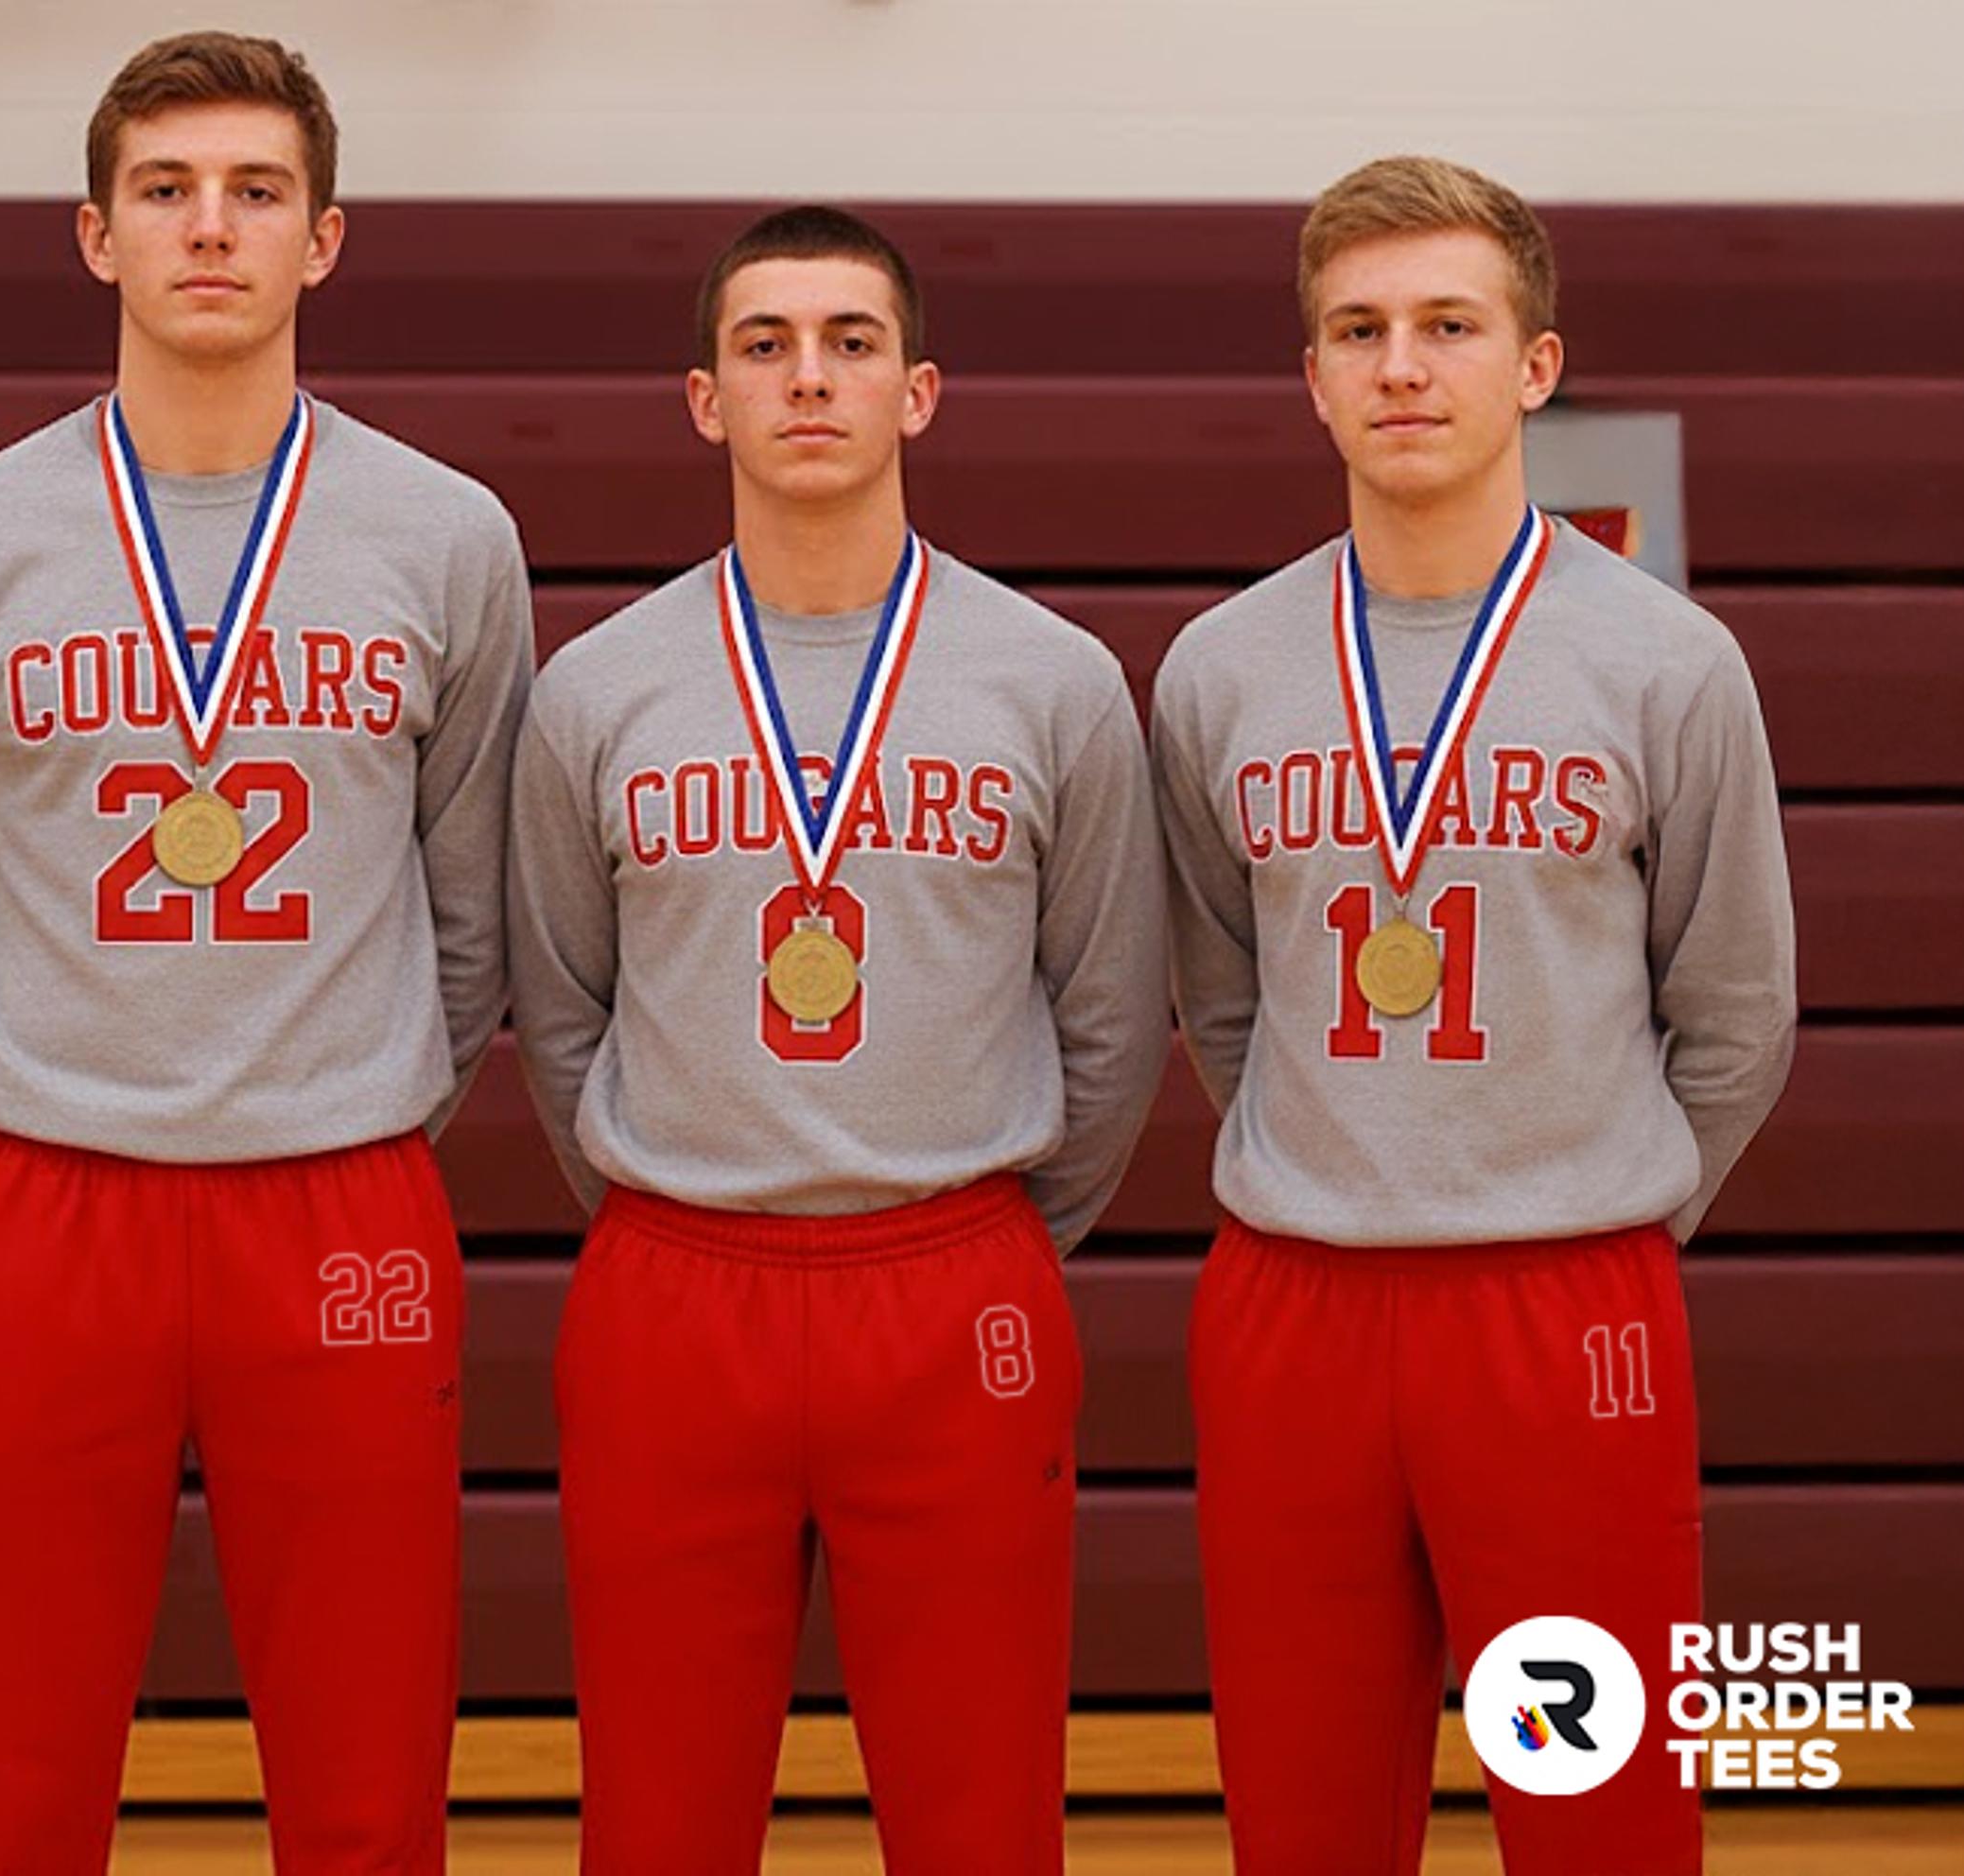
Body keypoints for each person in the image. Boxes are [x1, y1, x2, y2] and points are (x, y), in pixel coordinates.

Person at [0, 29, 533, 1873]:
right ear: (96, 234)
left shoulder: (449, 535)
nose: (210, 228)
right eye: (165, 191)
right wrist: (40, 1084)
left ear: (326, 238)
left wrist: (344, 1083)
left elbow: (472, 906)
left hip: (339, 1193)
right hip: (44, 1193)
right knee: (14, 1778)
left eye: (255, 191)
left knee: (368, 1780)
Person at [1151, 153, 1797, 1875]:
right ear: (1312, 376)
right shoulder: (1219, 668)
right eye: (1359, 330)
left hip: (1561, 1308)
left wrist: (1591, 1199)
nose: (1403, 367)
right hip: (1293, 1310)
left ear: (1536, 365)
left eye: (1449, 325)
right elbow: (1221, 994)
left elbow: (1737, 1012)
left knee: (1593, 1818)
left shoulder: (1667, 662)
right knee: (1306, 1816)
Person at [509, 204, 1171, 1875]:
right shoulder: (596, 689)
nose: (809, 379)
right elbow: (562, 1005)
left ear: (917, 391)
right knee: (657, 1818)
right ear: (706, 399)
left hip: (954, 1280)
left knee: (981, 1814)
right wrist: (688, 1193)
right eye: (766, 345)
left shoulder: (1055, 682)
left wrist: (981, 1227)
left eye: (851, 344)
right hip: (676, 1282)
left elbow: (1110, 1016)